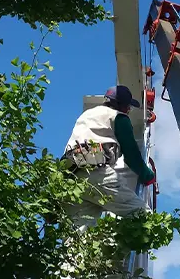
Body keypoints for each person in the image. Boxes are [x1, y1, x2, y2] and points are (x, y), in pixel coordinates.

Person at [61, 85, 155, 231]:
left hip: (71, 177)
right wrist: (146, 174)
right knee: (144, 216)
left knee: (80, 237)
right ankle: (121, 249)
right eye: (127, 106)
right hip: (96, 173)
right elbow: (131, 154)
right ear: (119, 105)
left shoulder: (86, 115)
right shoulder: (118, 117)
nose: (129, 110)